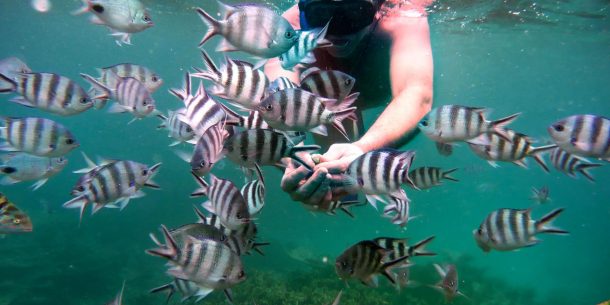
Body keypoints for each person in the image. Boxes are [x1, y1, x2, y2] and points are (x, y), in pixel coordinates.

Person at [263, 0, 434, 207]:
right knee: (333, 189)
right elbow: (276, 98)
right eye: (321, 13)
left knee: (337, 184)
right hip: (325, 102)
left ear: (377, 6)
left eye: (355, 12)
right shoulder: (288, 28)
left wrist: (363, 148)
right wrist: (292, 156)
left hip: (331, 101)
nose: (338, 30)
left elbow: (416, 93)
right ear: (305, 9)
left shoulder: (402, 14)